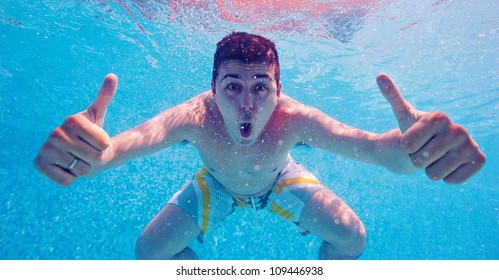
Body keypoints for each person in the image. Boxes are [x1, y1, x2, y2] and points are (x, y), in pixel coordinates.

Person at [34, 32, 485, 260]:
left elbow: (372, 149)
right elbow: (125, 146)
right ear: (212, 89)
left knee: (352, 237)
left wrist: (415, 152)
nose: (248, 104)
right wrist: (94, 155)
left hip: (282, 180)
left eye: (260, 88)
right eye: (232, 87)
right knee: (148, 254)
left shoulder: (294, 118)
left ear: (278, 88)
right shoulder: (193, 116)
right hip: (217, 185)